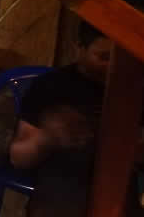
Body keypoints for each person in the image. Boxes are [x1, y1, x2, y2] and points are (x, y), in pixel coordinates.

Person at [9, 21, 141, 217]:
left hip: (119, 192)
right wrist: (47, 137)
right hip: (61, 192)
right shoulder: (51, 86)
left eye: (121, 58)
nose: (112, 66)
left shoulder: (134, 87)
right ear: (79, 48)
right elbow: (18, 158)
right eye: (103, 57)